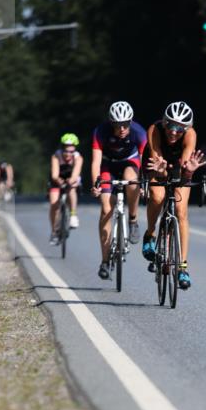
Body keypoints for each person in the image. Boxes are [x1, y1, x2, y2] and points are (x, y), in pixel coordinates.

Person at [142, 101, 206, 290]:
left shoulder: (190, 135)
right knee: (157, 197)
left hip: (178, 167)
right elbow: (157, 157)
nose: (173, 131)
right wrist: (161, 172)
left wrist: (189, 172)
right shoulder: (154, 130)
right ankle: (150, 234)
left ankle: (182, 267)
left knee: (181, 210)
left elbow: (185, 170)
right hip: (157, 164)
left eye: (180, 128)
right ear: (164, 122)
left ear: (187, 128)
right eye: (170, 125)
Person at [90, 101, 147, 280]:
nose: (122, 128)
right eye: (117, 124)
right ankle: (105, 261)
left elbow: (145, 161)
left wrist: (143, 182)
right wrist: (95, 184)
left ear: (131, 121)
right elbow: (96, 162)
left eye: (126, 124)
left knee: (132, 181)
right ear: (111, 123)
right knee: (106, 209)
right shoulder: (100, 132)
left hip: (130, 162)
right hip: (108, 164)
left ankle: (133, 219)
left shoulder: (139, 133)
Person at [48, 133, 83, 243]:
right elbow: (54, 174)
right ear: (62, 149)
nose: (68, 154)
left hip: (71, 178)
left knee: (72, 189)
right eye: (66, 151)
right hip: (57, 179)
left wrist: (70, 181)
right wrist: (59, 181)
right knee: (54, 204)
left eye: (71, 151)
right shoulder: (56, 156)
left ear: (75, 150)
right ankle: (54, 231)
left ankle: (73, 215)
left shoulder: (78, 158)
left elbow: (76, 174)